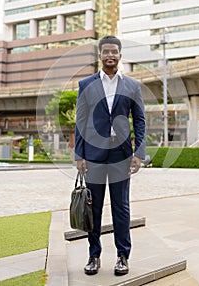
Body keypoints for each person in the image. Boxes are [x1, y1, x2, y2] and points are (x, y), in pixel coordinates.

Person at [75, 35, 146, 276]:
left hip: (121, 155)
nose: (110, 56)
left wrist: (139, 153)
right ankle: (94, 255)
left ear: (120, 55)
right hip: (93, 156)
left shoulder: (132, 86)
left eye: (114, 52)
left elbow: (140, 120)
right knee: (92, 208)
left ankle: (122, 256)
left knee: (121, 207)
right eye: (105, 52)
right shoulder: (86, 85)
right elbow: (81, 122)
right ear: (99, 55)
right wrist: (79, 155)